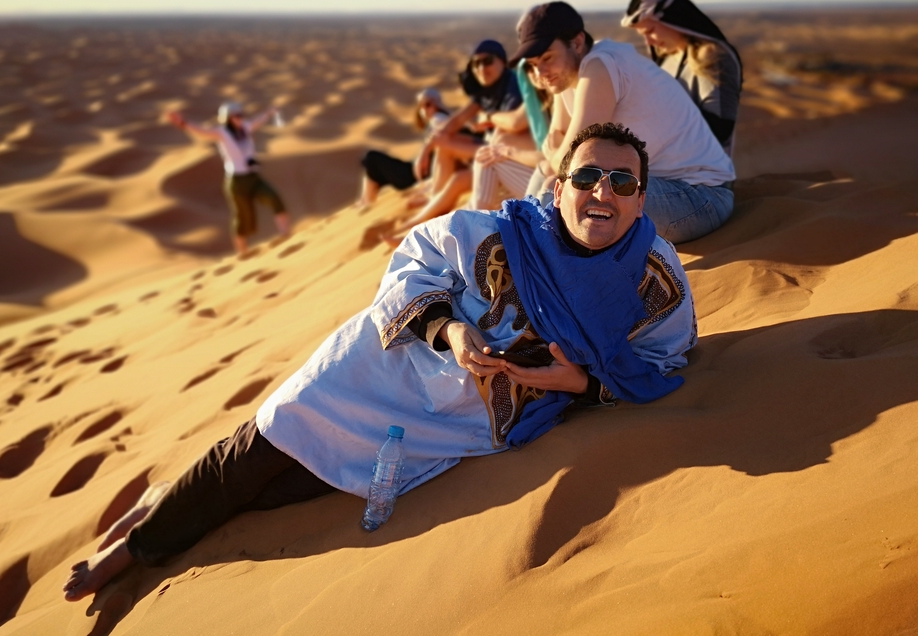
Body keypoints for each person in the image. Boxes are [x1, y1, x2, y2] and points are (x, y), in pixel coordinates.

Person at [62, 122, 697, 602]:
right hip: (384, 366)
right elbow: (414, 262)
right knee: (265, 444)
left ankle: (167, 499)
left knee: (294, 488)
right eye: (586, 178)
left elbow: (664, 365)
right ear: (558, 188)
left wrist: (581, 385)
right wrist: (448, 329)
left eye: (622, 182)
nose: (601, 193)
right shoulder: (492, 233)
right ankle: (136, 548)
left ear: (641, 200)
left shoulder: (657, 283)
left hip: (462, 420)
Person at [511, 1, 737, 244]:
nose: (540, 73)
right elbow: (555, 141)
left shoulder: (600, 65)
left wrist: (556, 157)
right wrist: (556, 157)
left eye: (547, 58)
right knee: (550, 178)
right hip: (657, 188)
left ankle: (532, 263)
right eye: (534, 65)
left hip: (701, 197)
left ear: (576, 43)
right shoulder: (566, 75)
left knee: (561, 189)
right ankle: (518, 247)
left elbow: (566, 159)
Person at [398, 39, 532, 229]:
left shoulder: (513, 86)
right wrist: (426, 151)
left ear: (502, 61)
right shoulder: (487, 91)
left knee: (451, 161)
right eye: (476, 63)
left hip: (516, 161)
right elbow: (457, 120)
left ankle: (421, 218)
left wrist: (489, 117)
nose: (481, 68)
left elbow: (513, 127)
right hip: (493, 155)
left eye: (487, 61)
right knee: (447, 148)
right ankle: (428, 208)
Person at [622, 0, 743, 156]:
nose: (648, 41)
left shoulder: (710, 57)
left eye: (650, 31)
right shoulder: (668, 56)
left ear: (672, 18)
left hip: (702, 177)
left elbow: (719, 130)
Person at [168, 102, 291, 256]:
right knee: (242, 217)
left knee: (274, 198)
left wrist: (270, 112)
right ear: (227, 119)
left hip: (253, 176)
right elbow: (202, 132)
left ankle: (286, 235)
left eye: (241, 115)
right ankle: (242, 253)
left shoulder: (245, 128)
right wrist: (183, 123)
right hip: (237, 181)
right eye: (236, 116)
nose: (240, 118)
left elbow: (257, 122)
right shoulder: (221, 133)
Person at [356, 88, 475, 208]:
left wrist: (425, 153)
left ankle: (366, 203)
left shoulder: (438, 119)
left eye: (428, 104)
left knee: (371, 159)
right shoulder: (447, 118)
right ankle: (365, 202)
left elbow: (438, 136)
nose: (424, 110)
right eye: (421, 107)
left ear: (437, 104)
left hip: (412, 177)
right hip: (415, 172)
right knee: (374, 168)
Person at [469, 59, 551, 210]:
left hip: (557, 188)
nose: (537, 72)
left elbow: (515, 123)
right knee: (492, 150)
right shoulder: (542, 100)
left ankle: (475, 226)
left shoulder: (554, 101)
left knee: (487, 156)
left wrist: (508, 152)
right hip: (546, 178)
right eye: (530, 67)